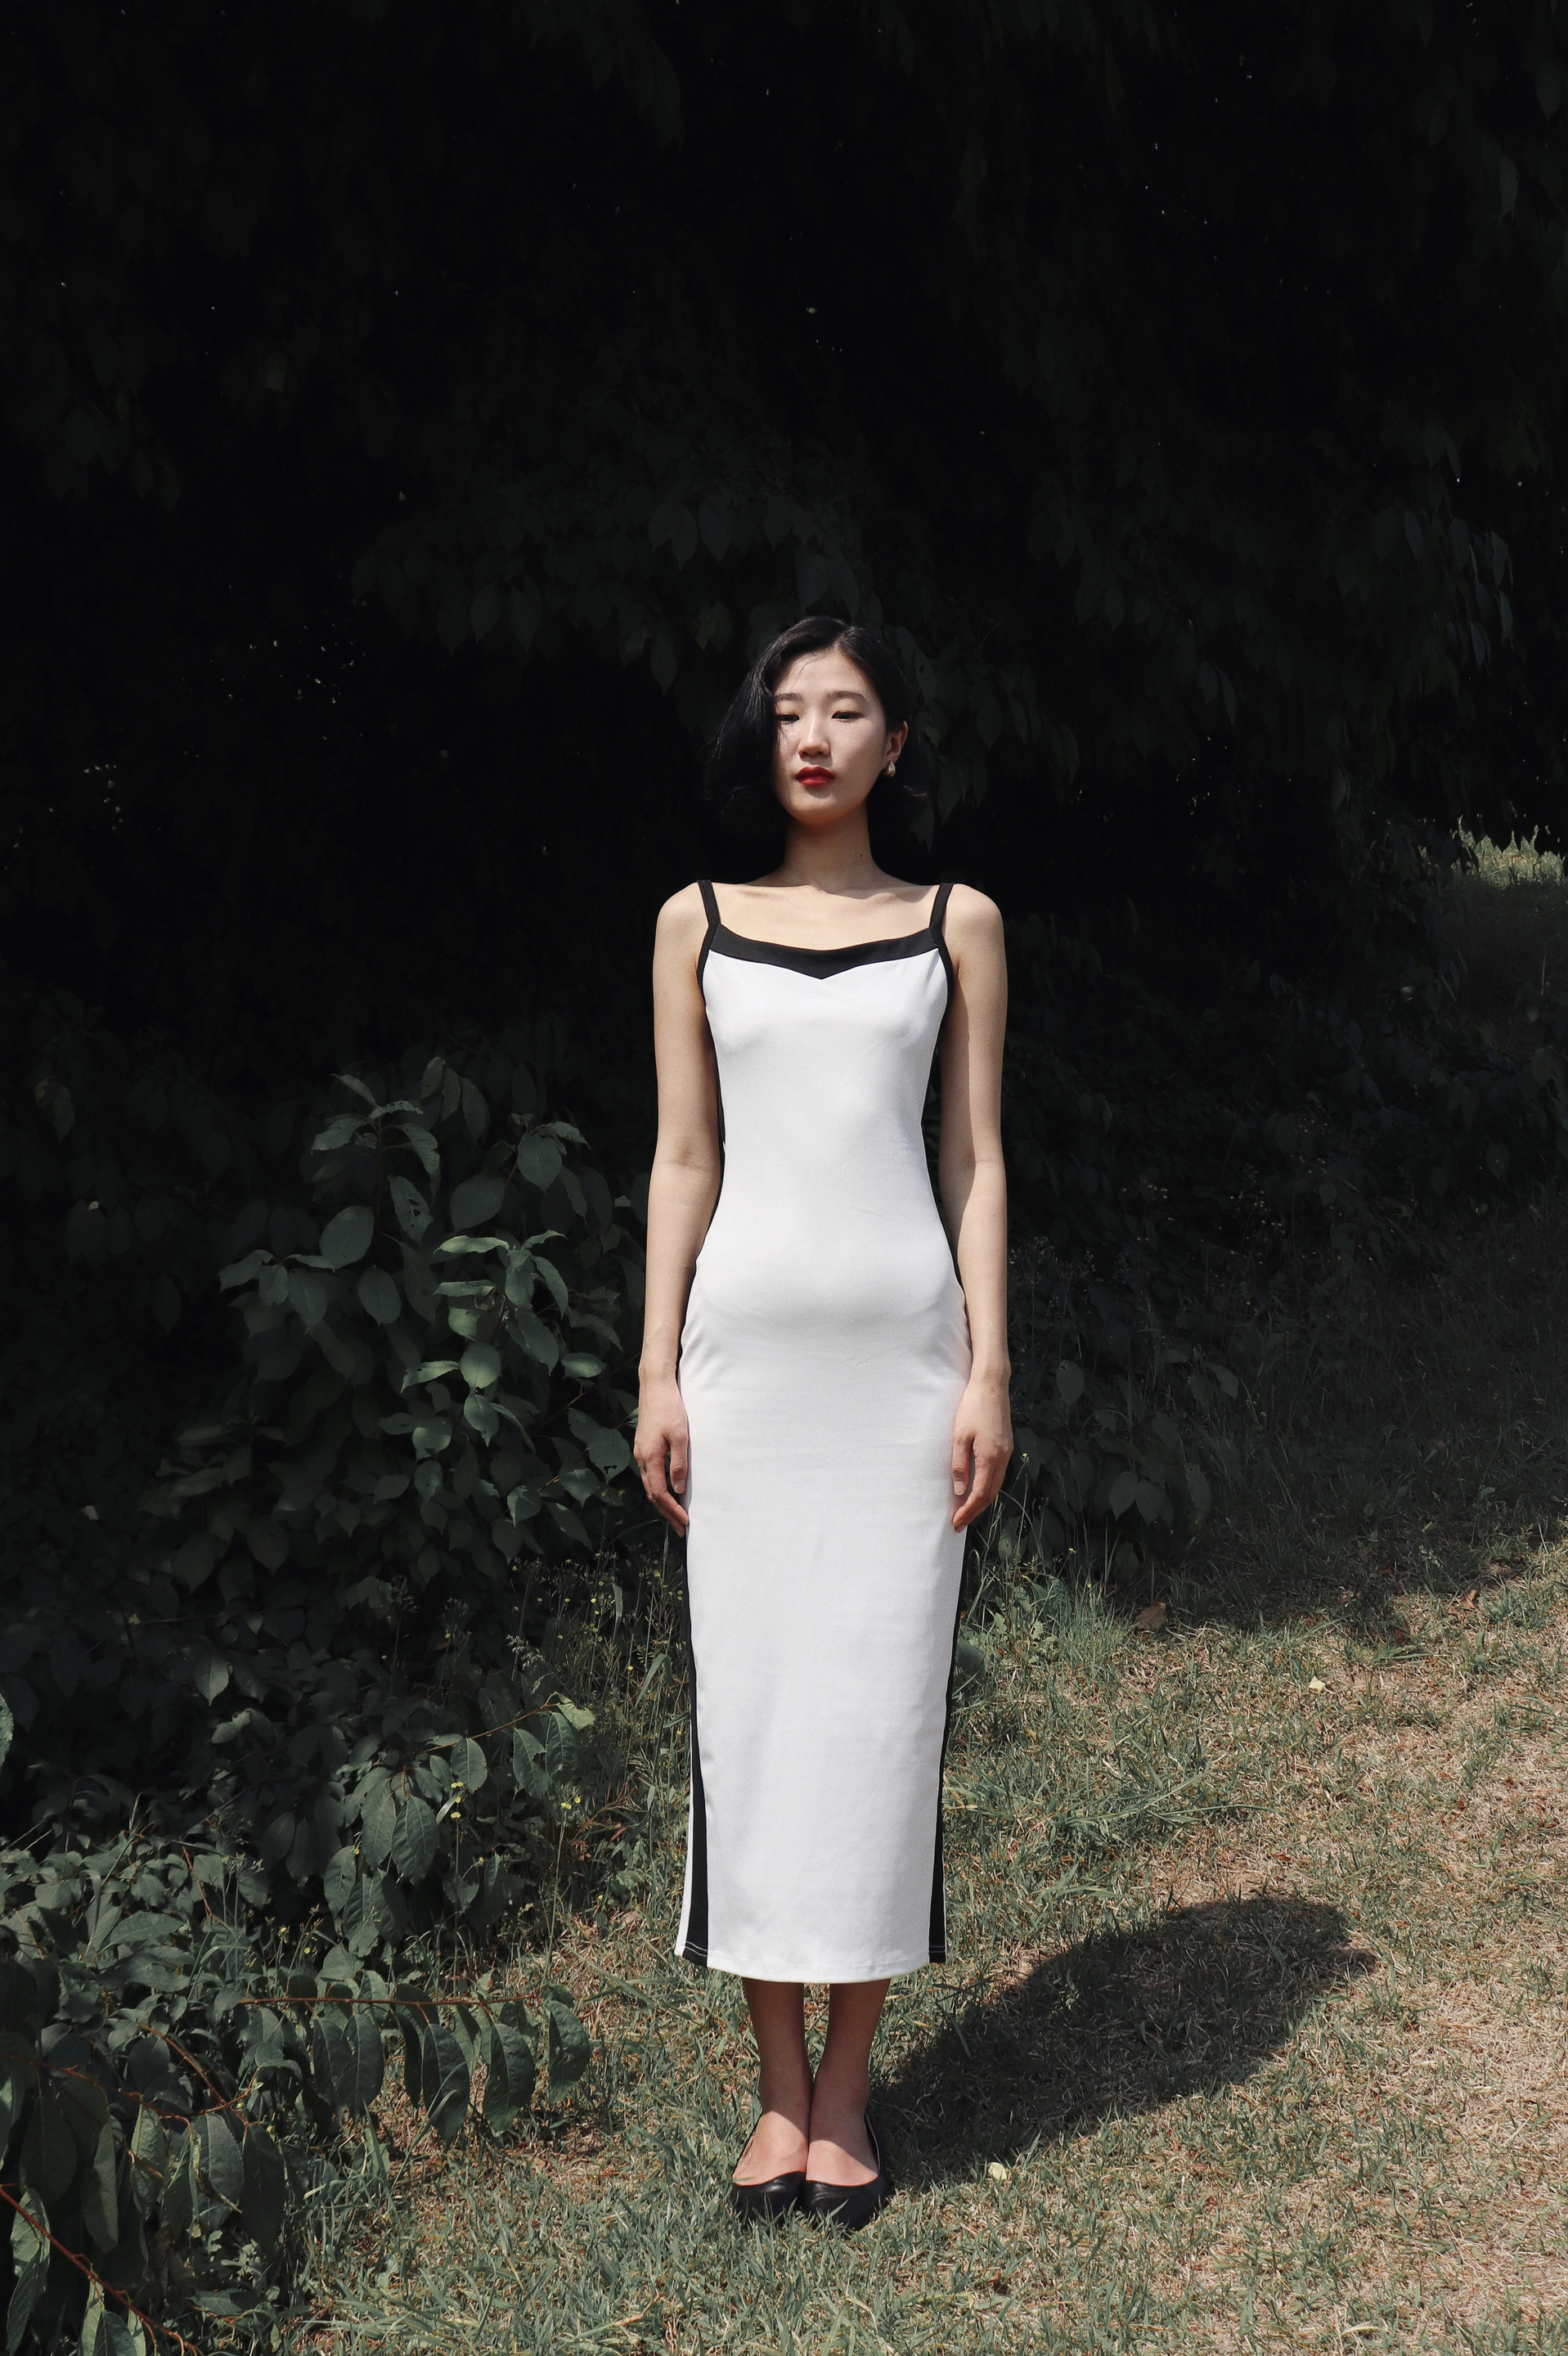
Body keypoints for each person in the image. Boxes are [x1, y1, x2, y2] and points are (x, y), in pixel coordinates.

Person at [634, 614, 1012, 2228]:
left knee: (876, 1718)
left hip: (905, 1372)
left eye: (846, 711)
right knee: (759, 1717)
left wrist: (990, 1370)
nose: (813, 737)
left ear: (894, 741)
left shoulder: (956, 924)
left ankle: (848, 2095)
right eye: (788, 710)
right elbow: (684, 1159)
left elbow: (973, 1159)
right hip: (746, 1373)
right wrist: (654, 1369)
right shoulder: (697, 924)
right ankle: (775, 2094)